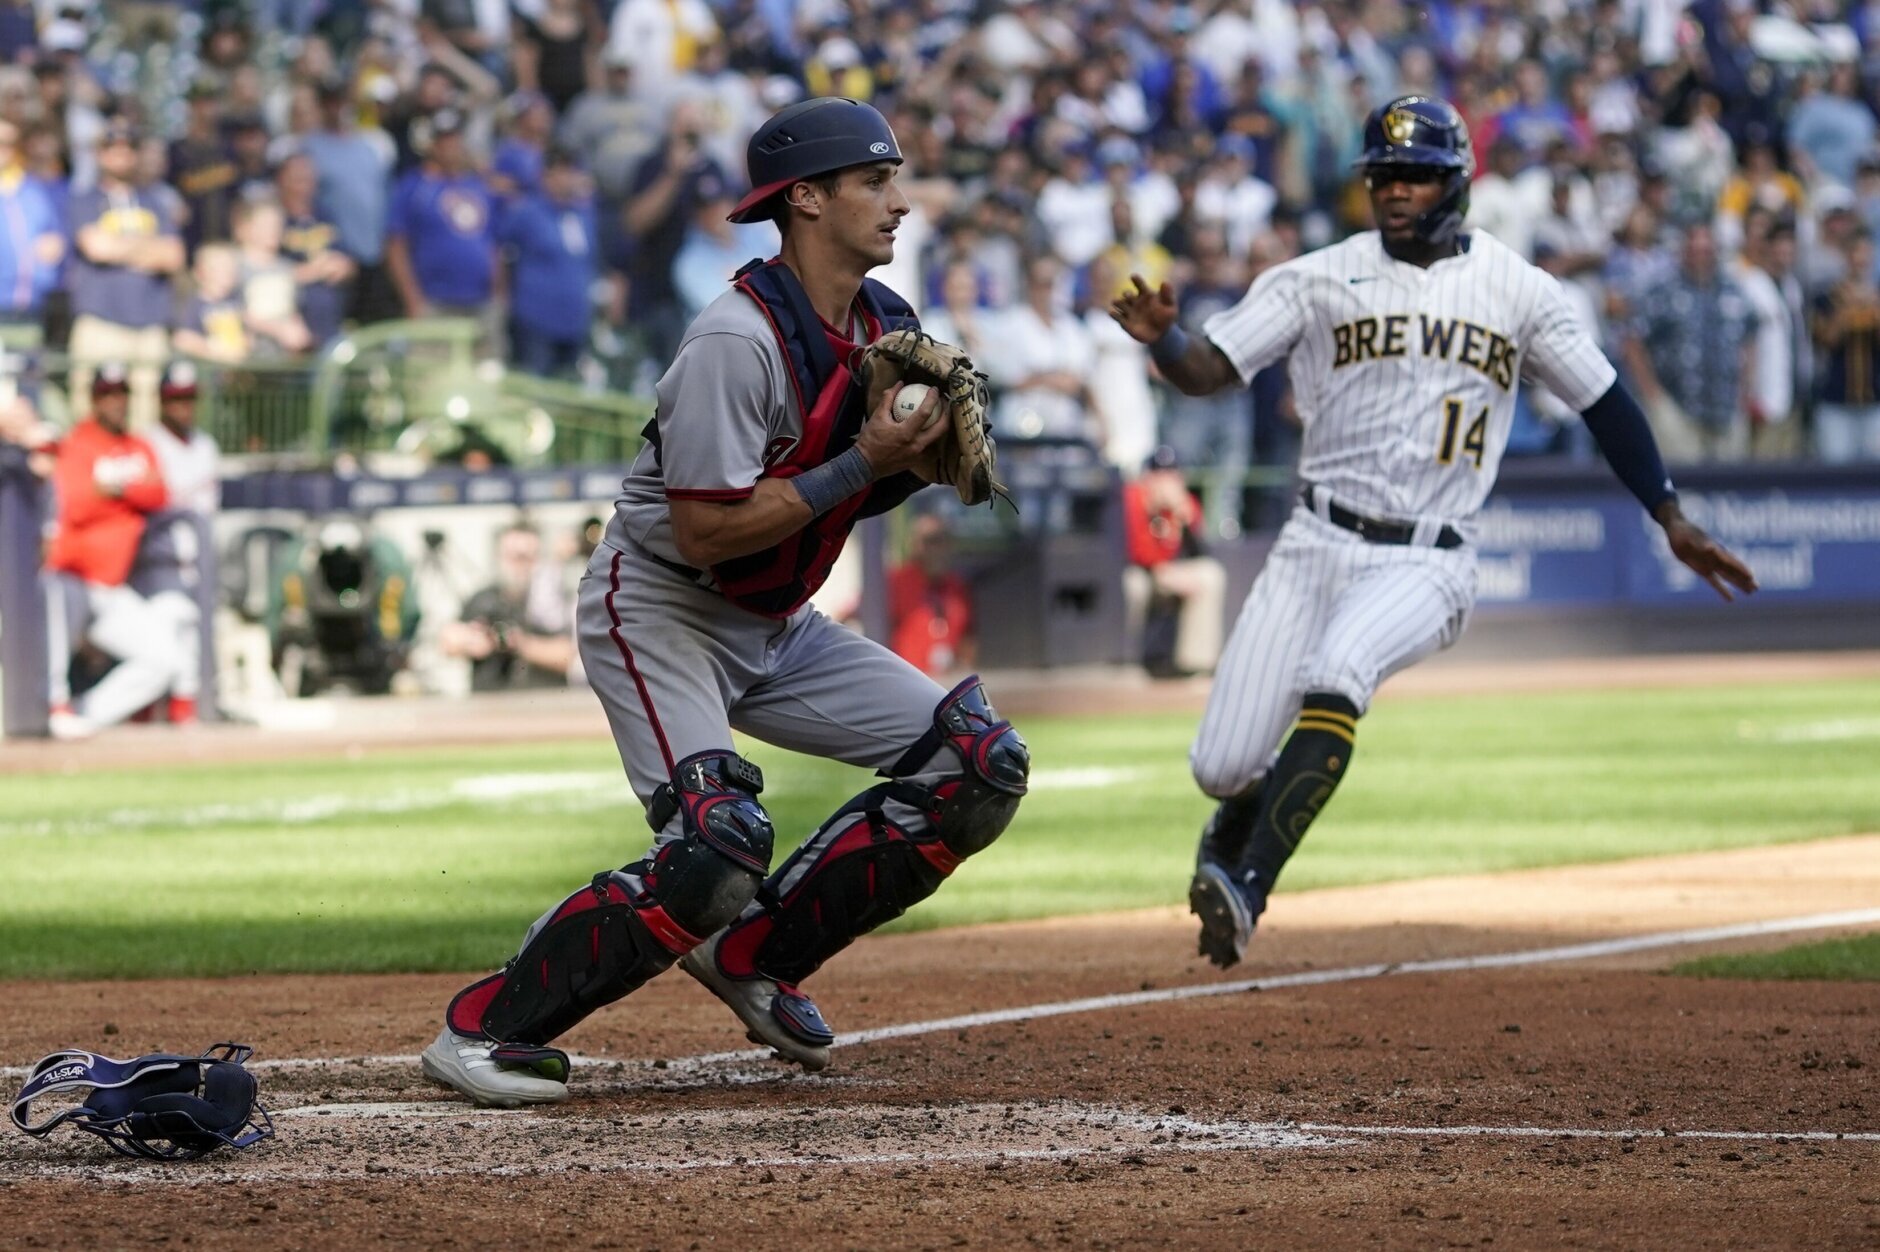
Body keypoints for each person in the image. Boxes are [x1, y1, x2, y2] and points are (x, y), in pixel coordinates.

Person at [422, 97, 1029, 1106]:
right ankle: (484, 1030)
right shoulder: (734, 340)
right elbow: (708, 530)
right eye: (875, 181)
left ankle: (756, 955)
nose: (899, 202)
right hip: (662, 605)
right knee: (715, 846)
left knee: (977, 764)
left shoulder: (885, 327)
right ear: (806, 199)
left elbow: (838, 489)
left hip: (778, 621)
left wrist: (911, 468)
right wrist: (866, 460)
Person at [1110, 96, 1757, 970]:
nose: (1395, 190)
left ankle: (1249, 886)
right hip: (1314, 542)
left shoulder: (1519, 289)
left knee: (1338, 671)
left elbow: (1605, 400)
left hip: (1429, 556)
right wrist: (1166, 341)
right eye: (1383, 176)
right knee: (1220, 766)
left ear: (1456, 183)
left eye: (1414, 176)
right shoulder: (1316, 277)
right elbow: (1209, 368)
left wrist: (1669, 513)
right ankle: (1238, 818)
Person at [43, 364, 183, 740]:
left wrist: (112, 487)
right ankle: (53, 706)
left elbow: (160, 492)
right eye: (107, 394)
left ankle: (84, 714)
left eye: (121, 393)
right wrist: (128, 488)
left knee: (165, 658)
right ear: (94, 399)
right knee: (53, 623)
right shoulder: (78, 442)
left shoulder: (138, 445)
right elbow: (74, 503)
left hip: (111, 586)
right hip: (71, 577)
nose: (116, 401)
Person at [65, 118, 183, 427]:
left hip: (149, 323)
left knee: (145, 418)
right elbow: (97, 247)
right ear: (99, 154)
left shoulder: (155, 202)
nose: (121, 154)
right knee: (90, 412)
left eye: (128, 147)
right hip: (100, 320)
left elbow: (173, 256)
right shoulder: (84, 199)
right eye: (112, 147)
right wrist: (147, 248)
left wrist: (121, 248)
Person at [133, 360, 219, 724]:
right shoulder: (146, 443)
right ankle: (144, 724)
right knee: (162, 649)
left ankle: (184, 725)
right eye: (175, 398)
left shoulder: (206, 446)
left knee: (190, 651)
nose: (183, 406)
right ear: (161, 401)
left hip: (197, 562)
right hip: (154, 564)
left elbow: (206, 508)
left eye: (188, 398)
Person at [385, 108, 500, 323]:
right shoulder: (413, 187)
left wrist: (498, 295)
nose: (450, 146)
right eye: (444, 140)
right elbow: (396, 246)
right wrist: (412, 299)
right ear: (432, 144)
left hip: (481, 301)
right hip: (434, 301)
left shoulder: (478, 186)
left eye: (455, 138)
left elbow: (493, 244)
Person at [497, 145, 603, 378]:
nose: (568, 178)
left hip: (575, 323)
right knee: (536, 390)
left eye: (571, 170)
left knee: (570, 389)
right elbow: (499, 251)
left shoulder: (582, 215)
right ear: (546, 175)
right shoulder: (526, 212)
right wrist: (502, 295)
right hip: (536, 321)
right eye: (561, 171)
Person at [1122, 445, 1225, 678]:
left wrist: (1184, 517)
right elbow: (1133, 550)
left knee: (1210, 574)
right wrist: (1161, 571)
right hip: (1139, 571)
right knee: (1133, 584)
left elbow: (1201, 552)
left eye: (1171, 473)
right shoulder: (1132, 498)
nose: (1165, 480)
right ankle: (1126, 664)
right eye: (1159, 473)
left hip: (1167, 572)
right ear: (1147, 476)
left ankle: (1196, 665)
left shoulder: (1183, 502)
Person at [437, 522, 576, 691]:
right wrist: (473, 639)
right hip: (491, 702)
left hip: (543, 701)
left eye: (527, 557)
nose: (520, 565)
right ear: (499, 557)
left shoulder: (554, 600)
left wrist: (518, 643)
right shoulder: (484, 599)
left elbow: (569, 657)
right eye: (513, 557)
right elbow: (448, 641)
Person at [887, 513, 975, 677]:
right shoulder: (895, 582)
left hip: (947, 683)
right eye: (929, 541)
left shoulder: (957, 587)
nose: (936, 549)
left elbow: (968, 637)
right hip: (906, 679)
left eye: (942, 540)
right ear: (914, 544)